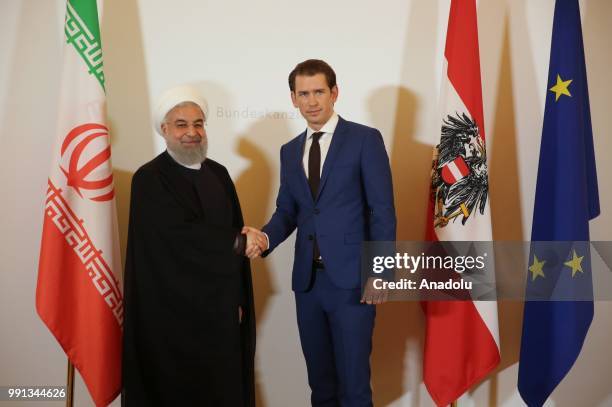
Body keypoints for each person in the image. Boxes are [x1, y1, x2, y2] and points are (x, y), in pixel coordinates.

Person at [246, 59, 396, 406]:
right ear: (293, 99)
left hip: (353, 283)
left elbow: (382, 211)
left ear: (334, 93)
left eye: (318, 92)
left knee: (355, 387)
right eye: (304, 94)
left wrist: (381, 272)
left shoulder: (364, 140)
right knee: (321, 386)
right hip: (308, 285)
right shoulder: (289, 151)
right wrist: (266, 237)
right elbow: (289, 211)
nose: (312, 101)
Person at [121, 86, 264, 406]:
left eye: (198, 124)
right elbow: (177, 236)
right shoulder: (149, 178)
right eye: (182, 125)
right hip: (170, 317)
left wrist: (239, 298)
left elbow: (235, 242)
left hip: (220, 312)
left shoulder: (219, 174)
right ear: (165, 129)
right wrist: (239, 241)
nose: (192, 132)